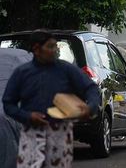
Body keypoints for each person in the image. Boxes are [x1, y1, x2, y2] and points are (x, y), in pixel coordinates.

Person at [2, 31, 100, 167]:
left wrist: (90, 107)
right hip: (32, 132)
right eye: (50, 46)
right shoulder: (22, 73)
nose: (55, 50)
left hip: (60, 132)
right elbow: (8, 104)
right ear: (36, 49)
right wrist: (27, 116)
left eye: (56, 46)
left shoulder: (66, 70)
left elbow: (91, 88)